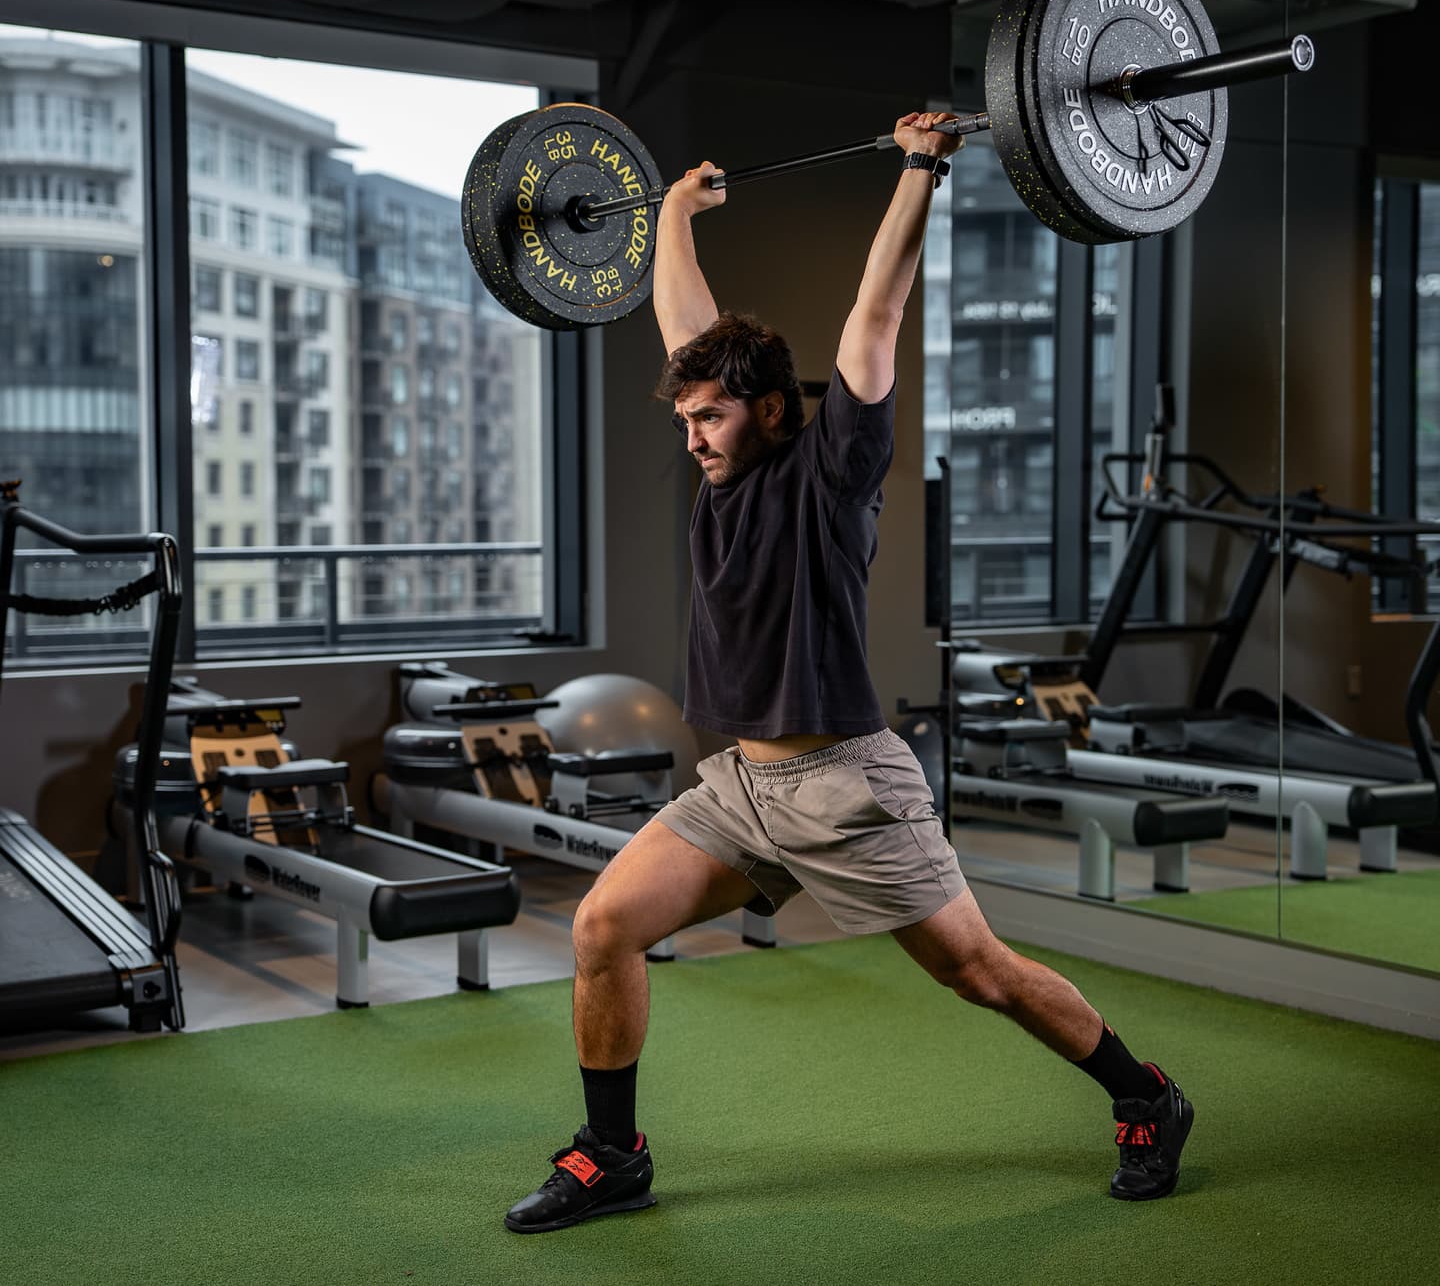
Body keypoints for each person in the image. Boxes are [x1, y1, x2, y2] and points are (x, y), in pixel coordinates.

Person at [504, 113, 1192, 1234]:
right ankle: (612, 1155)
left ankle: (1145, 1096)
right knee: (603, 927)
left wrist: (919, 170)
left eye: (712, 417)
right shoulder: (721, 469)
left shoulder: (832, 474)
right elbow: (683, 321)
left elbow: (877, 313)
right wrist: (672, 215)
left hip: (846, 786)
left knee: (978, 973)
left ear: (772, 409)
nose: (694, 437)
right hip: (740, 787)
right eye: (684, 419)